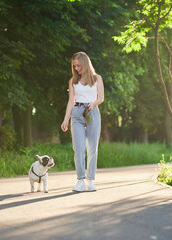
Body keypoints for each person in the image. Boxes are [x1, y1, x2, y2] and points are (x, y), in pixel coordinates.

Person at [61, 52, 104, 192]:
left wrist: (93, 103)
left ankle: (90, 180)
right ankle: (80, 180)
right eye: (74, 66)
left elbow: (101, 98)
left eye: (79, 65)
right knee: (78, 148)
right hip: (77, 114)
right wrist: (66, 119)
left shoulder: (97, 78)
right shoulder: (73, 81)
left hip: (92, 112)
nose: (77, 68)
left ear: (85, 64)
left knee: (92, 148)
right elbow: (70, 101)